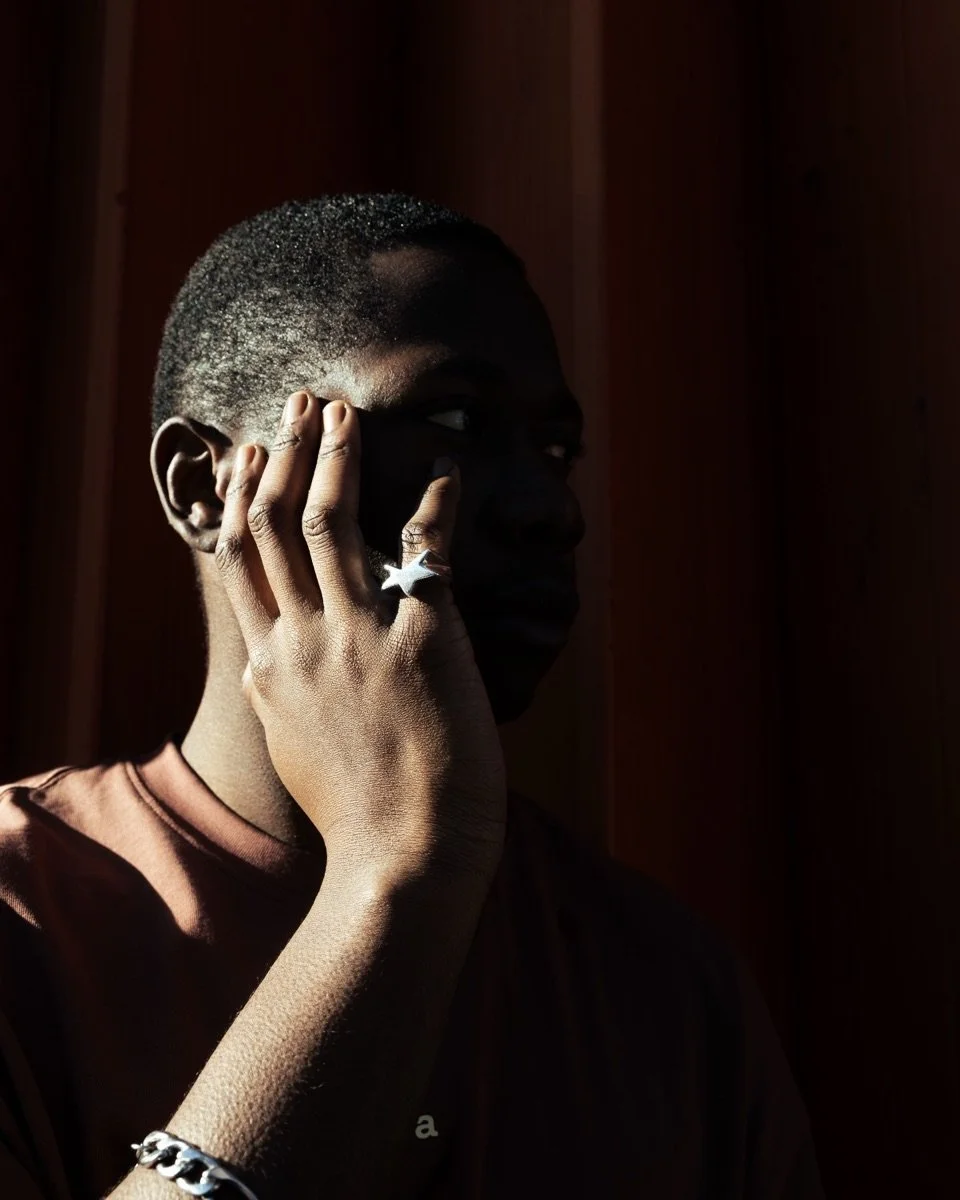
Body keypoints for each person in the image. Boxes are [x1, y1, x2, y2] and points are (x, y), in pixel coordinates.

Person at [0, 194, 825, 1199]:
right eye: (452, 422)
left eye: (557, 451)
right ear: (201, 486)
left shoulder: (668, 994)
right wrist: (395, 874)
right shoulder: (27, 918)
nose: (549, 509)